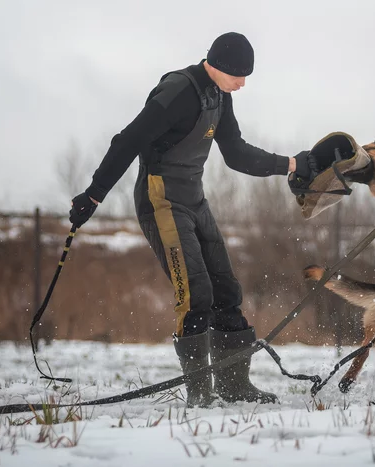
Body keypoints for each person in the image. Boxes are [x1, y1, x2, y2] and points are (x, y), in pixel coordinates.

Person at [69, 32, 316, 407]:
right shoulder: (178, 91)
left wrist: (293, 165)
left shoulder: (220, 95)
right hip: (161, 201)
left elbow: (235, 154)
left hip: (195, 200)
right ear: (218, 65)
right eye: (239, 75)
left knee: (227, 292)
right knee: (196, 295)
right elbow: (128, 140)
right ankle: (201, 394)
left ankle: (234, 387)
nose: (243, 84)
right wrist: (94, 194)